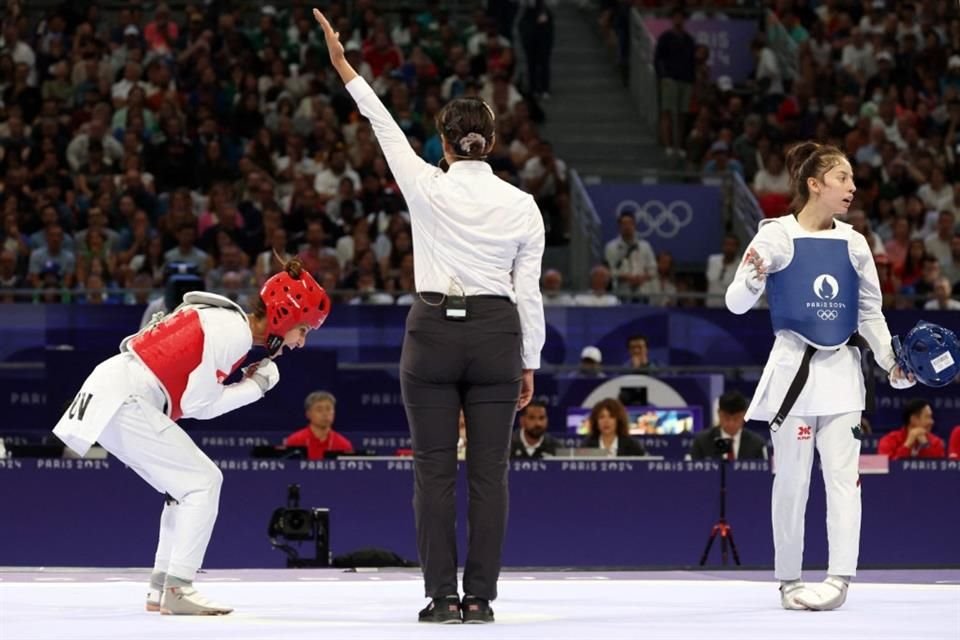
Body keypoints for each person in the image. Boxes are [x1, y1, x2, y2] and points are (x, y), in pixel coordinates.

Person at [313, 9, 545, 625]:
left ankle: (442, 599)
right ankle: (481, 600)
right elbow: (530, 294)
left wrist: (343, 65)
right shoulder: (523, 206)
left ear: (444, 143)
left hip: (434, 336)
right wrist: (531, 363)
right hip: (498, 337)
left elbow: (381, 123)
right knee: (489, 477)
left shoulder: (425, 184)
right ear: (490, 144)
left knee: (434, 474)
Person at [52, 258, 330, 615]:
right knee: (204, 481)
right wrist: (255, 387)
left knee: (182, 490)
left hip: (115, 394)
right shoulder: (234, 332)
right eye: (303, 330)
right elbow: (199, 404)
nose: (301, 343)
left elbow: (192, 398)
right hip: (124, 397)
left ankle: (161, 588)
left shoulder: (227, 325)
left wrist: (245, 383)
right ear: (285, 316)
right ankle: (178, 588)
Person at [724, 142, 915, 612]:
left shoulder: (854, 242)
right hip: (793, 375)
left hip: (843, 376)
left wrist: (891, 361)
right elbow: (735, 303)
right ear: (815, 184)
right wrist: (753, 275)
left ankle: (838, 579)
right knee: (791, 480)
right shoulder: (775, 236)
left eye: (852, 180)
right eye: (842, 178)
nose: (852, 187)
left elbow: (869, 311)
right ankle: (789, 578)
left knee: (843, 479)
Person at [689, 391, 767, 460]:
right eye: (726, 418)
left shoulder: (757, 444)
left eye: (736, 418)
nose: (731, 423)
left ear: (744, 415)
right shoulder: (702, 442)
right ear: (719, 414)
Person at [284, 391, 354, 460]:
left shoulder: (343, 444)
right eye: (319, 410)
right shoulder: (295, 441)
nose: (325, 414)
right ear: (308, 414)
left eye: (328, 409)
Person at [877, 399, 946, 460]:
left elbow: (938, 470)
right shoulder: (889, 440)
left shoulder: (936, 442)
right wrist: (907, 445)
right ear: (913, 419)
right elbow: (888, 468)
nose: (932, 422)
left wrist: (925, 445)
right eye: (928, 417)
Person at [579, 397, 647, 457]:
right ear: (596, 421)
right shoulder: (587, 445)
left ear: (618, 420)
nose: (606, 421)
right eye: (601, 417)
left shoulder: (632, 445)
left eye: (611, 417)